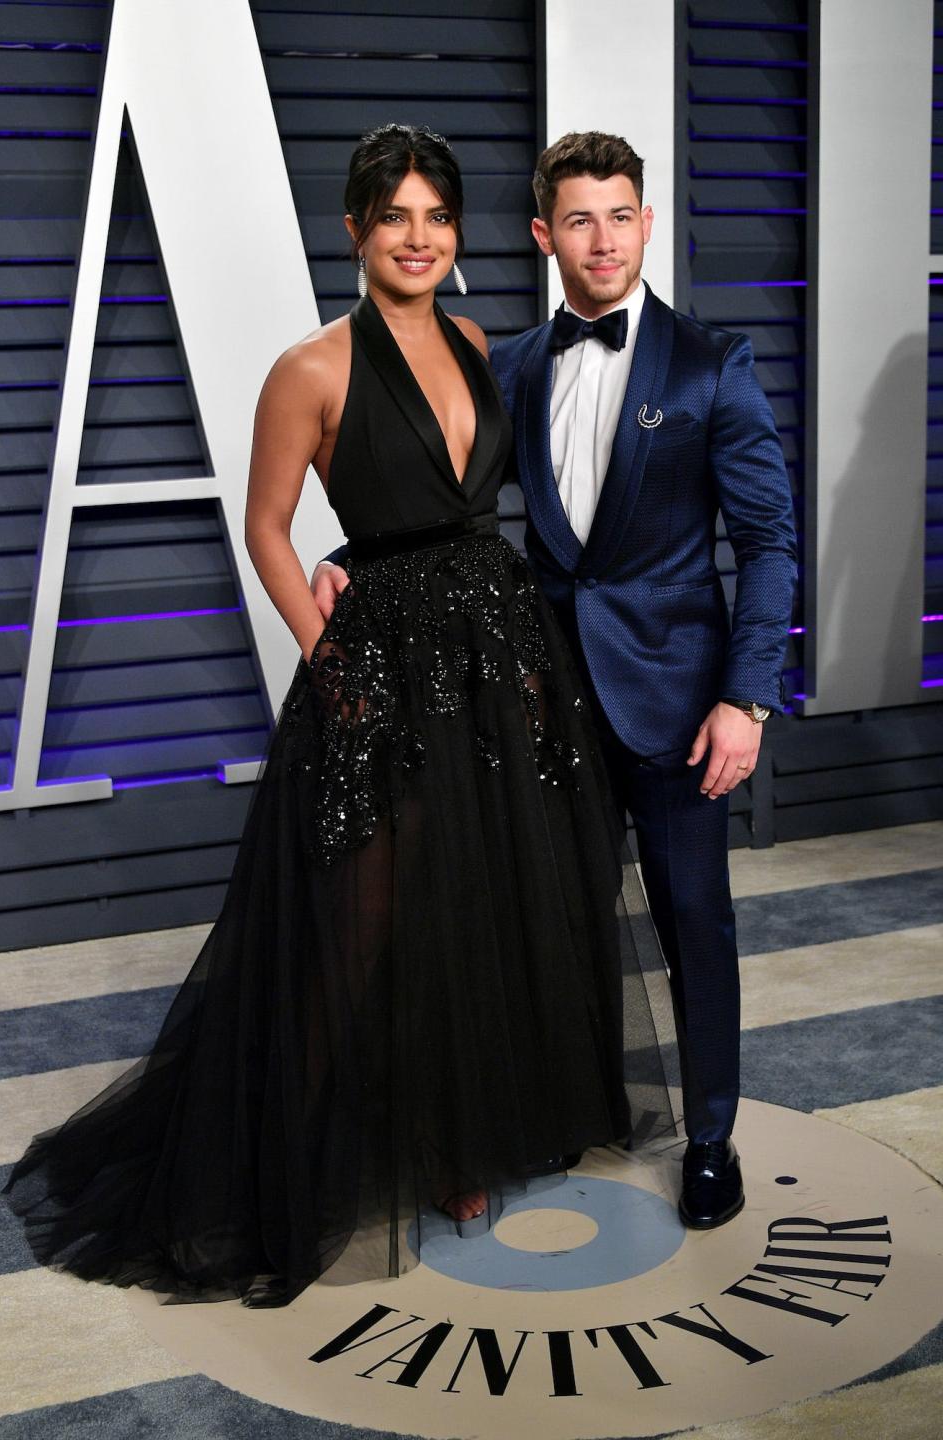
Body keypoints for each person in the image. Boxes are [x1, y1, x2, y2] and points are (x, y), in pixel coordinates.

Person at [3, 125, 679, 1309]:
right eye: (393, 216)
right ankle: (304, 1156)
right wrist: (333, 655)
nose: (416, 238)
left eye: (435, 216)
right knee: (363, 924)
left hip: (501, 658)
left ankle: (467, 1145)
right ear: (355, 228)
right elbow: (268, 526)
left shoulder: (475, 342)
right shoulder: (309, 367)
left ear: (458, 233)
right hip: (381, 668)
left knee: (489, 903)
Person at [316, 130, 798, 1231]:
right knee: (553, 923)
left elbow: (768, 542)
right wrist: (351, 563)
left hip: (681, 706)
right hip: (535, 700)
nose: (602, 240)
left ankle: (711, 1138)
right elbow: (446, 504)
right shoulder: (512, 361)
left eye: (620, 215)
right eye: (578, 219)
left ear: (646, 222)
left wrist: (747, 696)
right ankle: (564, 1109)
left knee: (694, 925)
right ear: (544, 235)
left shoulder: (712, 363)